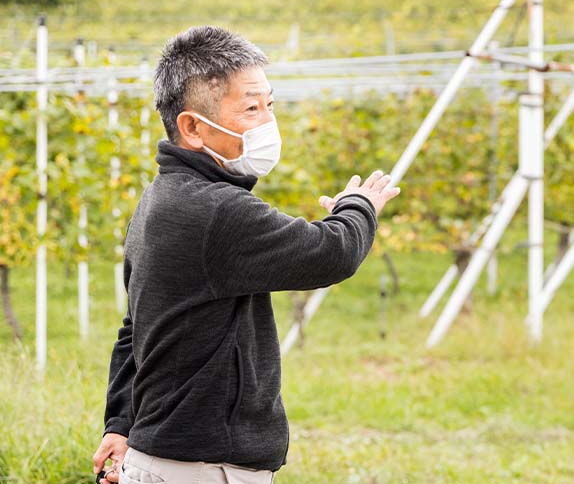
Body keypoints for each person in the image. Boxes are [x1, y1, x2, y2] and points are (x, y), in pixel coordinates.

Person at [91, 26, 400, 484]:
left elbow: (135, 326)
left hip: (165, 456)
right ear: (193, 127)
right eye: (251, 108)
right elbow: (331, 253)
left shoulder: (160, 199)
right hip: (202, 468)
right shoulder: (215, 209)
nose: (267, 123)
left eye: (269, 105)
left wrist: (119, 422)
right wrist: (359, 206)